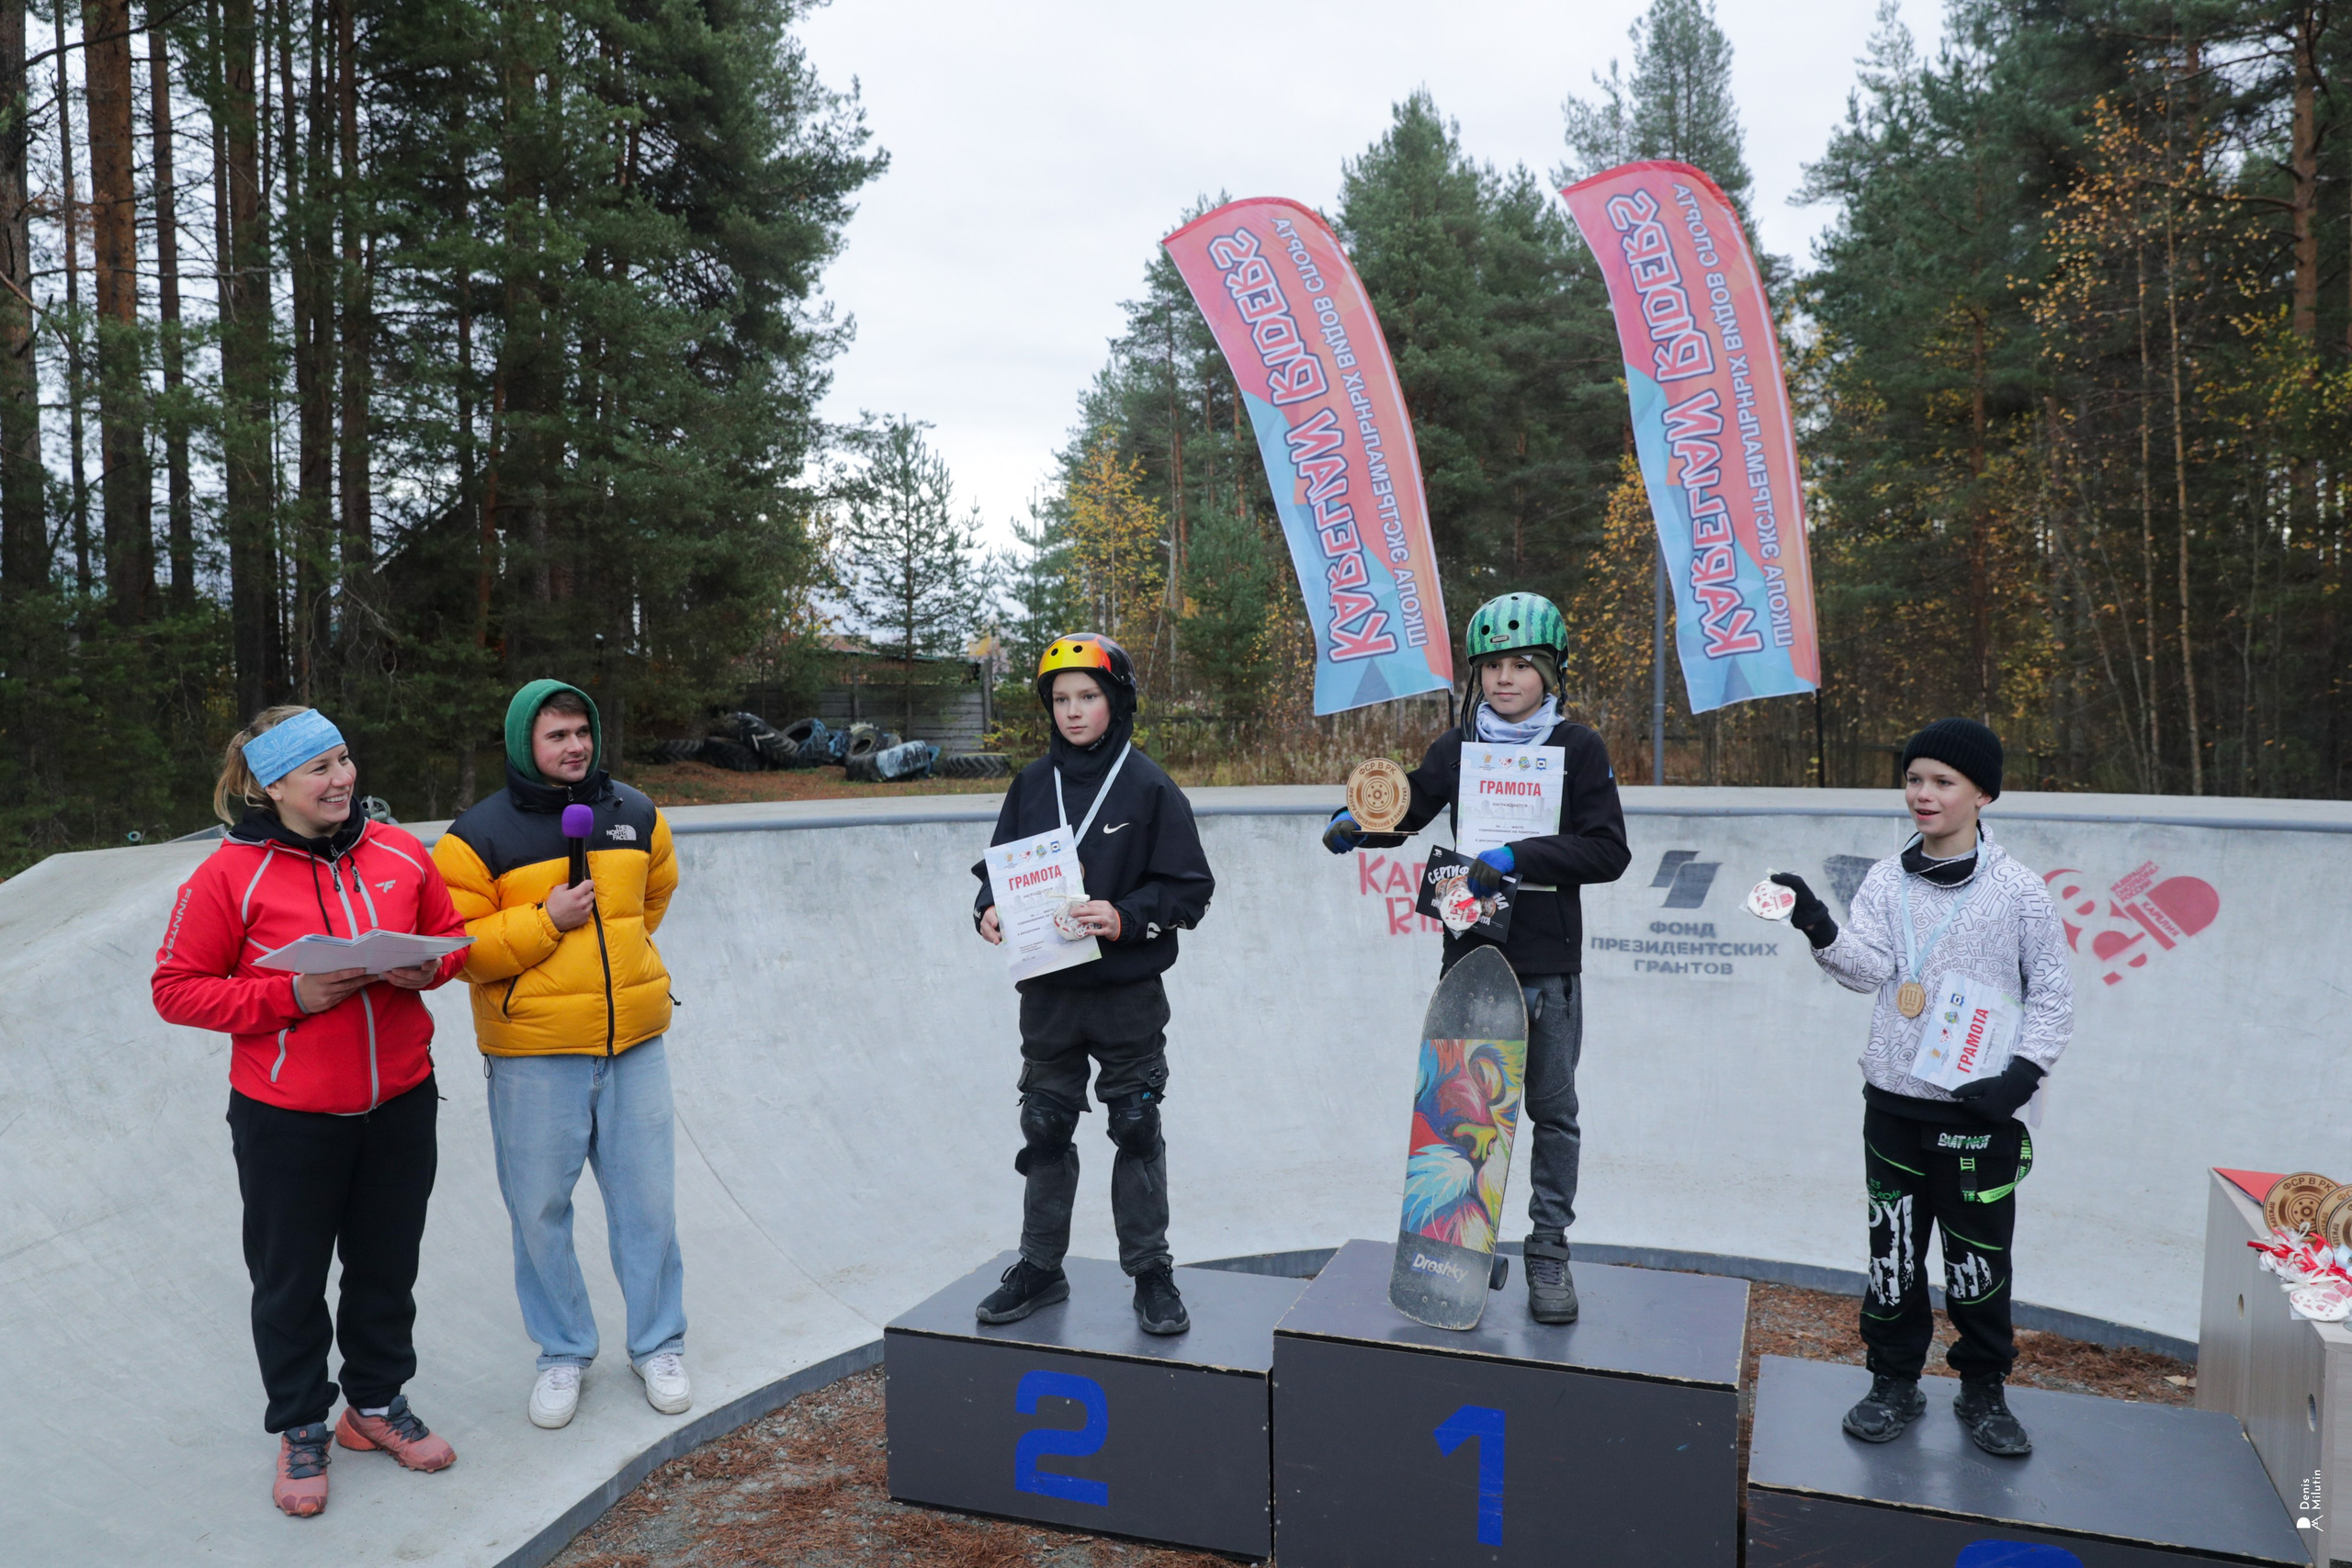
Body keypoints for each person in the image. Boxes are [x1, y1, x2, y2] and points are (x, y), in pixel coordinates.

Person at [153, 706, 469, 1518]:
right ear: (273, 784)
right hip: (287, 1116)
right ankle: (300, 1424)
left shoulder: (400, 850)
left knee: (386, 1264)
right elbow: (176, 988)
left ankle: (373, 1405)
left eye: (345, 759)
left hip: (399, 1098)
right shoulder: (227, 875)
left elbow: (452, 937)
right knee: (290, 1280)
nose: (342, 779)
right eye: (320, 767)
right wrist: (289, 993)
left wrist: (424, 970)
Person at [1322, 592, 1629, 1325]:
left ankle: (1548, 1251)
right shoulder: (1456, 749)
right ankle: (1459, 1246)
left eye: (1523, 664)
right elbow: (1410, 808)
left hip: (1548, 965)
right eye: (1492, 664)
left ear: (1551, 673)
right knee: (1463, 1115)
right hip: (1472, 958)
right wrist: (1360, 827)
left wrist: (1519, 854)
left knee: (1553, 1113)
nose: (1505, 677)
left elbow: (1608, 849)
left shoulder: (1578, 749)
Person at [1768, 718, 2071, 1457]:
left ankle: (1983, 1388)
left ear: (1984, 793)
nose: (1923, 794)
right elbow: (1870, 971)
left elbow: (2054, 997)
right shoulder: (1884, 878)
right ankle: (1893, 1379)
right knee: (1894, 1253)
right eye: (1913, 779)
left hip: (1978, 1114)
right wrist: (1816, 922)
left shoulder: (2020, 892)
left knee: (1977, 1258)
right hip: (1894, 1107)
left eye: (1942, 781)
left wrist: (2018, 1080)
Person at [432, 681, 686, 1431]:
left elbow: (655, 894)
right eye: (556, 736)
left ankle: (658, 1343)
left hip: (634, 1042)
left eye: (582, 732)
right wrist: (547, 921)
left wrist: (619, 952)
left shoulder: (635, 813)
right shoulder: (474, 837)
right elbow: (461, 947)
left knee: (649, 1206)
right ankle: (563, 1351)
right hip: (536, 1055)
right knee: (539, 1208)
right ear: (524, 745)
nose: (574, 746)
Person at [971, 633, 1216, 1334]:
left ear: (1117, 701)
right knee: (1044, 1126)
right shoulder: (1030, 784)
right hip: (1049, 992)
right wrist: (986, 909)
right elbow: (997, 870)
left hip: (1125, 993)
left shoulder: (1148, 786)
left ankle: (1151, 1271)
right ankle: (1041, 1267)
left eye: (1087, 697)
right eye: (1060, 699)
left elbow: (1191, 889)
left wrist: (1125, 915)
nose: (1073, 712)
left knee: (1135, 1124)